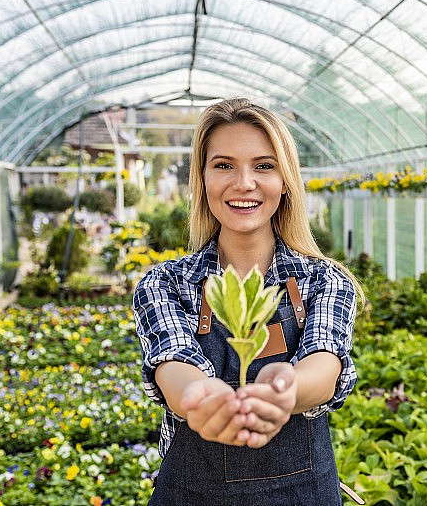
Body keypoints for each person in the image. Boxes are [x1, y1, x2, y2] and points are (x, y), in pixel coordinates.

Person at [133, 98, 365, 505]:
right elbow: (175, 370)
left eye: (263, 165)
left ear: (286, 180)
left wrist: (282, 391)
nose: (244, 183)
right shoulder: (166, 284)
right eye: (224, 165)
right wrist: (204, 399)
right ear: (202, 178)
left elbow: (324, 368)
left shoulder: (323, 280)